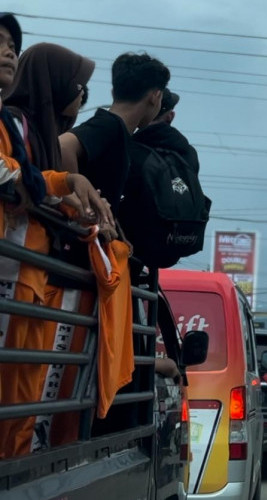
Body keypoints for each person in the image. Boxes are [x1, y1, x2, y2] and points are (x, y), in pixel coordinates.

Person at [0, 18, 110, 458]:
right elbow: (15, 178)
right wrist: (49, 186)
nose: (8, 51)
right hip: (17, 272)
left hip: (27, 277)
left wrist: (63, 188)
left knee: (22, 398)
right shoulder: (18, 124)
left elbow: (29, 180)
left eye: (12, 45)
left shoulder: (21, 128)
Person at [59, 52, 170, 223]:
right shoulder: (110, 126)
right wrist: (79, 205)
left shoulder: (117, 130)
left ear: (113, 92)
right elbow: (63, 147)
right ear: (155, 96)